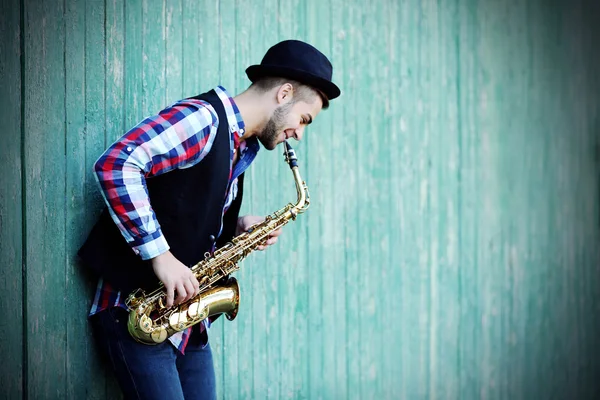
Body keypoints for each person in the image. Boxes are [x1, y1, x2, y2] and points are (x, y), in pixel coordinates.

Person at [77, 39, 340, 400]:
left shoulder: (241, 147)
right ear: (284, 94)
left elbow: (181, 205)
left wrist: (235, 227)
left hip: (186, 324)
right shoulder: (203, 119)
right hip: (138, 312)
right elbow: (118, 164)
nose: (299, 132)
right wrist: (161, 256)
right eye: (304, 118)